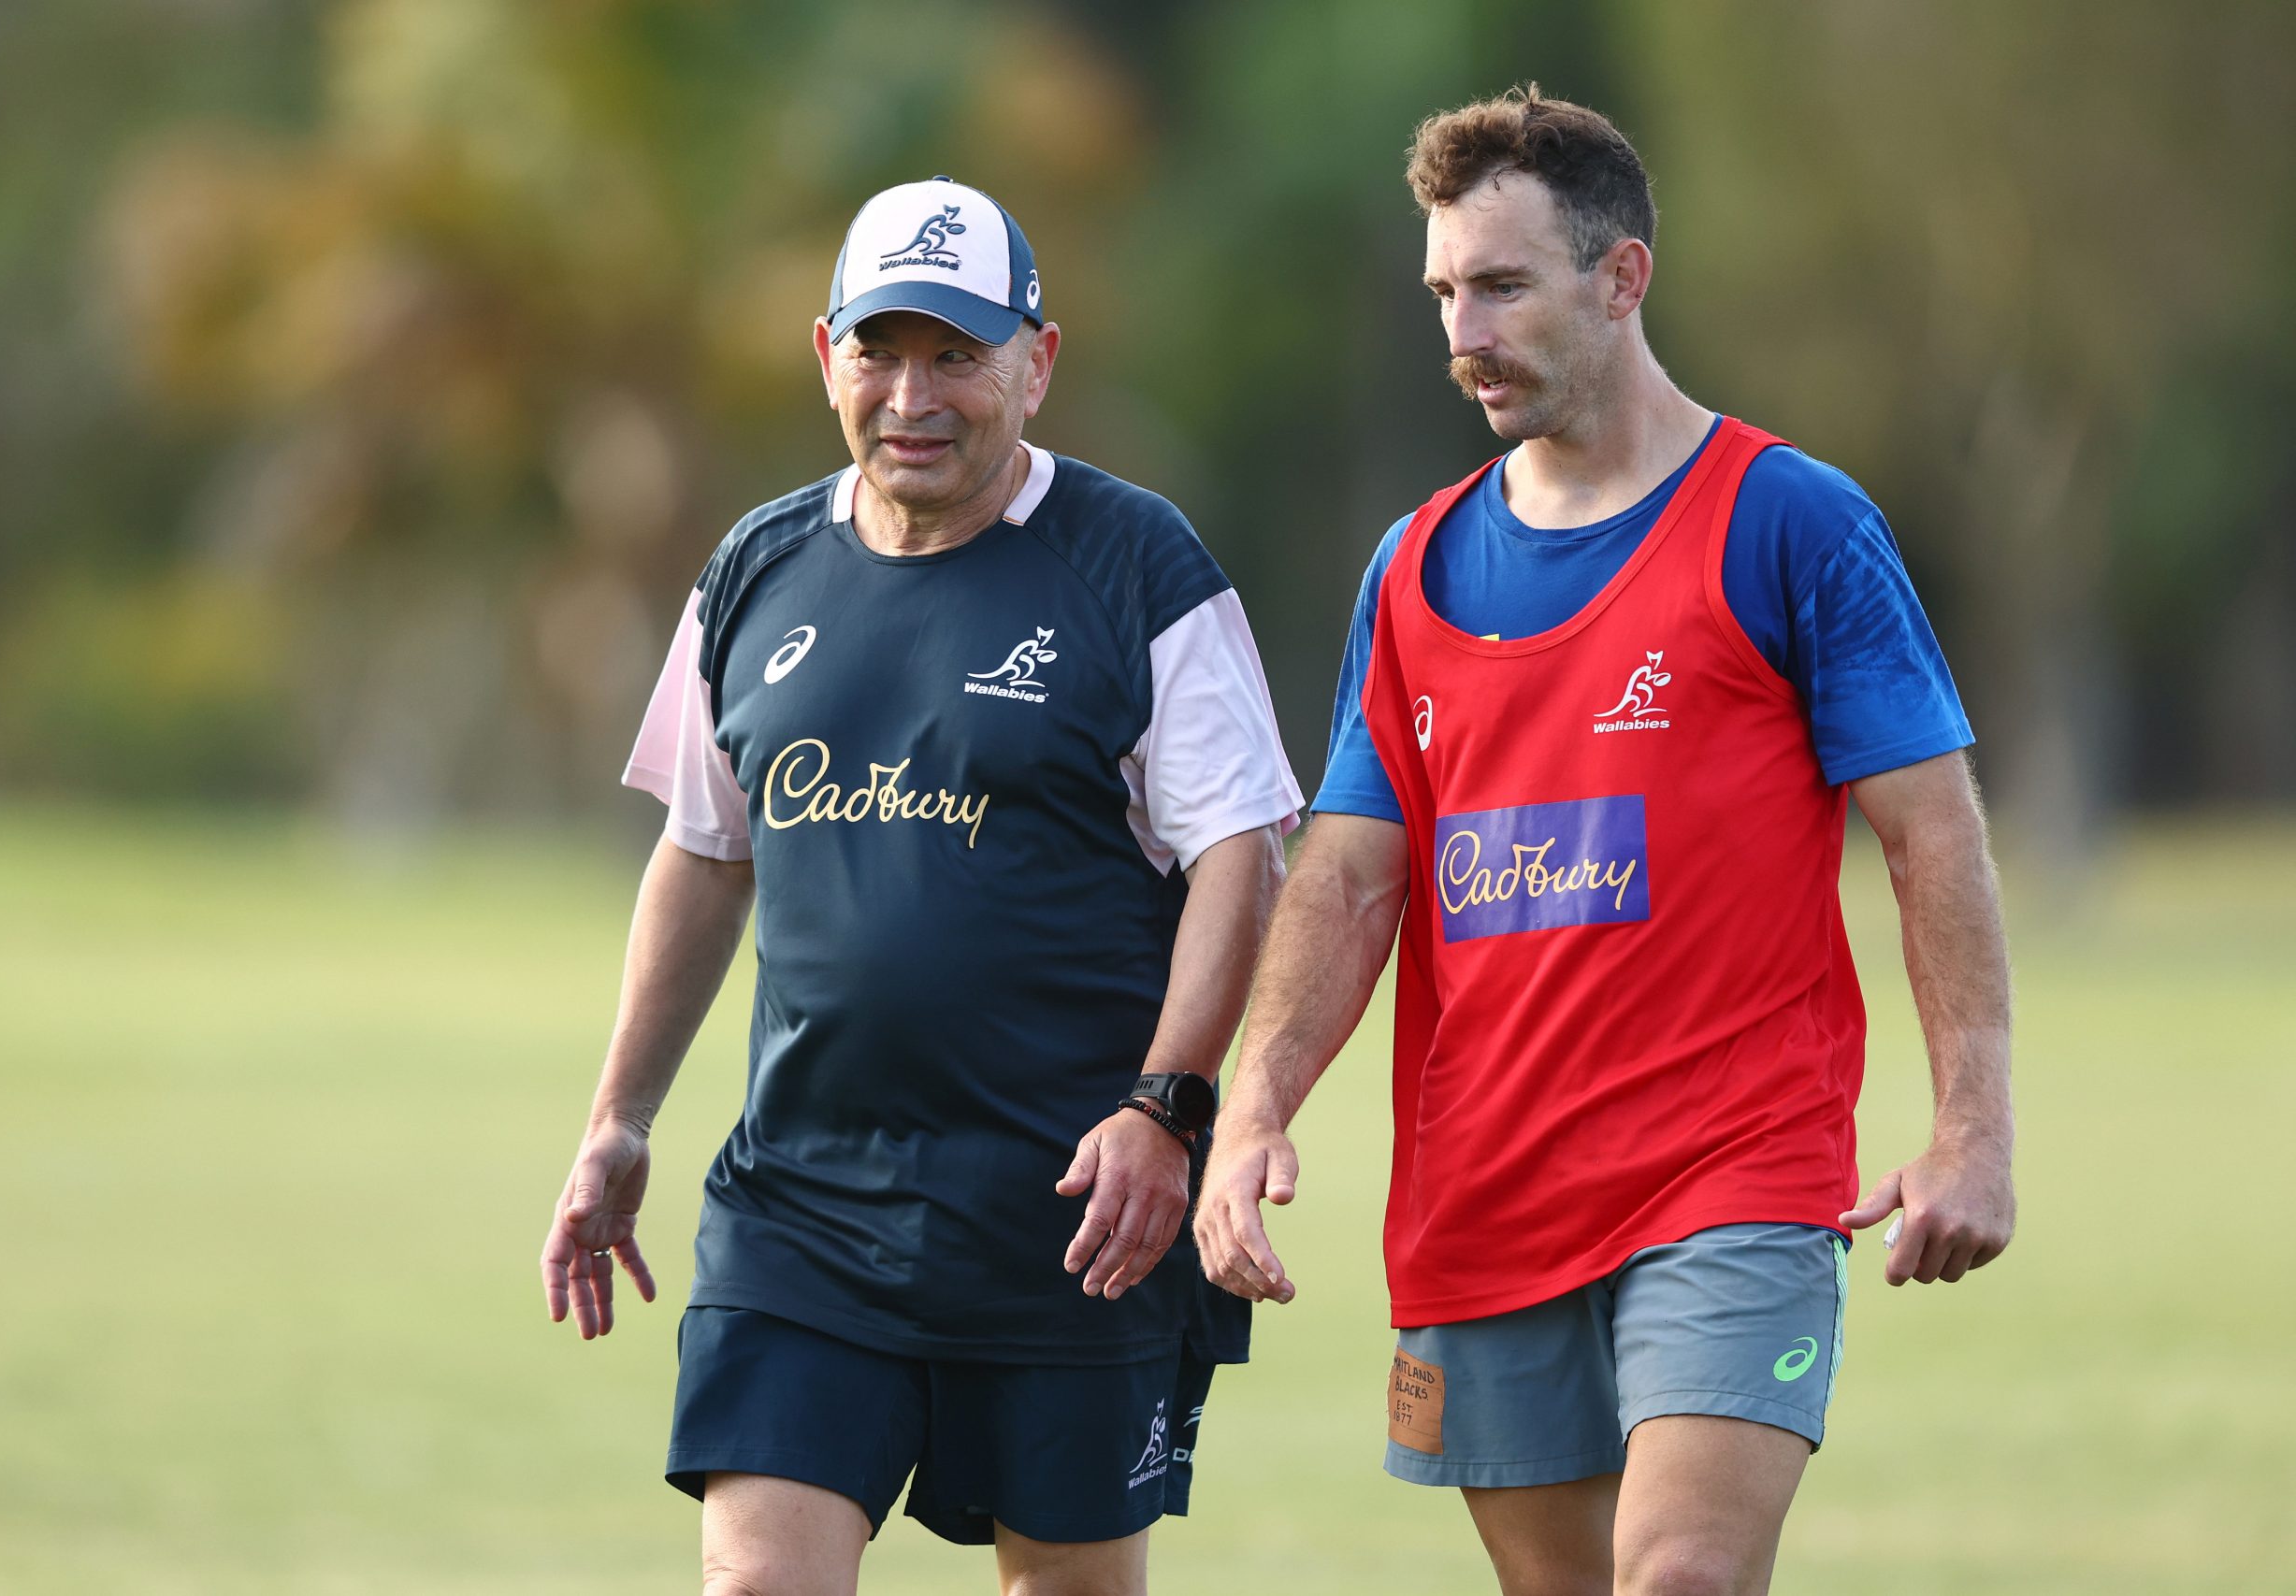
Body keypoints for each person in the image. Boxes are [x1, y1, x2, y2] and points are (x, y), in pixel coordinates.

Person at [1193, 86, 2016, 1596]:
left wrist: (1975, 1121)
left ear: (1620, 276)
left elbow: (1933, 836)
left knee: (1681, 1577)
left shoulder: (1791, 523)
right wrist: (1254, 1108)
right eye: (1445, 291)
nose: (1465, 332)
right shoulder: (1416, 564)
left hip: (1732, 1175)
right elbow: (1354, 872)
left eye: (1502, 286)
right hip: (1488, 1194)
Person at [541, 176, 1302, 1596]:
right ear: (825, 351)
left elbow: (1240, 860)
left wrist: (1168, 1108)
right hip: (805, 1212)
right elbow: (707, 855)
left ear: (1037, 360)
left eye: (956, 352)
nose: (914, 394)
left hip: (1075, 1219)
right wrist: (617, 1121)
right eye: (880, 351)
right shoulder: (756, 569)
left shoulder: (1141, 569)